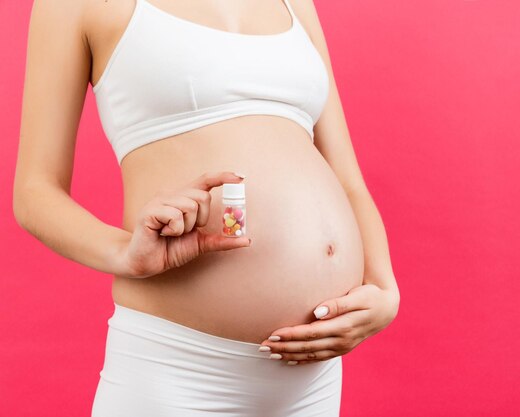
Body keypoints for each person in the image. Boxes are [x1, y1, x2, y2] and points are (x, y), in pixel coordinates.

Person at [13, 0, 401, 415]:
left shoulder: (295, 3)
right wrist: (123, 253)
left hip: (312, 383)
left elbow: (348, 179)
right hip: (179, 371)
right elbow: (35, 191)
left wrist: (384, 289)